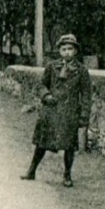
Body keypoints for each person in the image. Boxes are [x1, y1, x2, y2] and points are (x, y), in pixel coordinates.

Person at [22, 33, 92, 187]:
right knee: (42, 142)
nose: (67, 52)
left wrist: (84, 117)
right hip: (51, 111)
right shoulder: (51, 67)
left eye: (70, 49)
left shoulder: (81, 71)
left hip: (69, 113)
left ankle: (67, 175)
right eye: (64, 49)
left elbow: (86, 95)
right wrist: (46, 96)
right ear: (59, 51)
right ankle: (31, 171)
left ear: (75, 51)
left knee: (69, 146)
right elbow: (40, 85)